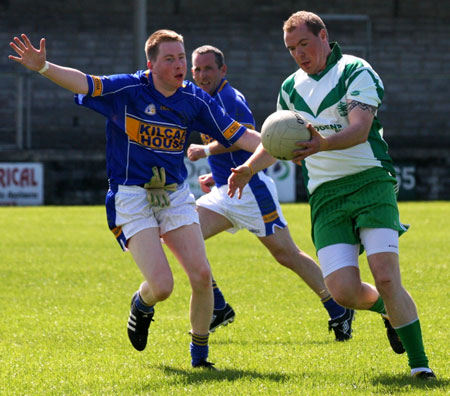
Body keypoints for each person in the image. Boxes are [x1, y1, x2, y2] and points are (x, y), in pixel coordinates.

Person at [9, 30, 262, 369]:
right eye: (169, 59)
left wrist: (286, 144)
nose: (179, 65)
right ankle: (142, 304)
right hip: (131, 198)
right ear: (151, 64)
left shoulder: (196, 100)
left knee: (201, 276)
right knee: (162, 285)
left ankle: (200, 359)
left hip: (173, 195)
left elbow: (241, 135)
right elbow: (85, 83)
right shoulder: (128, 89)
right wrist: (43, 68)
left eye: (182, 57)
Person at [227, 11, 436, 379]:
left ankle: (420, 366)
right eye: (291, 48)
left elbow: (359, 130)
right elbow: (276, 142)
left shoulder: (356, 71)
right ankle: (388, 311)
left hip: (370, 182)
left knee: (386, 278)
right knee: (341, 292)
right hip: (325, 196)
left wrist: (322, 143)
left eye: (304, 44)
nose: (298, 54)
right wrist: (247, 168)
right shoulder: (290, 87)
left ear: (323, 36)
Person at [187, 45, 354, 341]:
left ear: (222, 71)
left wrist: (205, 150)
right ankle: (218, 307)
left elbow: (248, 138)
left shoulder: (229, 98)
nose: (202, 75)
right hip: (227, 189)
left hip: (252, 191)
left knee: (287, 254)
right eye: (197, 69)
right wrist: (217, 175)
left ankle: (338, 307)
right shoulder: (204, 97)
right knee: (182, 236)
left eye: (208, 68)